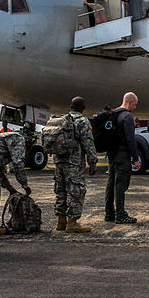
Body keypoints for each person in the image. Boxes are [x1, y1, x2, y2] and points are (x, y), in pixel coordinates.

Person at [52, 96, 98, 232]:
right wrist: (92, 161)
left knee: (61, 191)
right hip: (74, 162)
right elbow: (88, 142)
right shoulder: (82, 121)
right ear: (83, 108)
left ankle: (61, 221)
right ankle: (72, 223)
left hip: (59, 161)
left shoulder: (61, 120)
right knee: (76, 191)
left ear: (71, 107)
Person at [0, 131, 32, 235]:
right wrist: (24, 185)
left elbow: (1, 173)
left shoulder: (2, 142)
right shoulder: (19, 139)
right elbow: (18, 163)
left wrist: (10, 189)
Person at [104, 92, 141, 224]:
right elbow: (131, 139)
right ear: (130, 102)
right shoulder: (127, 116)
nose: (135, 107)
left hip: (112, 154)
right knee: (120, 184)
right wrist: (135, 159)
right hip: (122, 155)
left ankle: (109, 213)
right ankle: (120, 214)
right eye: (135, 104)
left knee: (110, 183)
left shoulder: (113, 114)